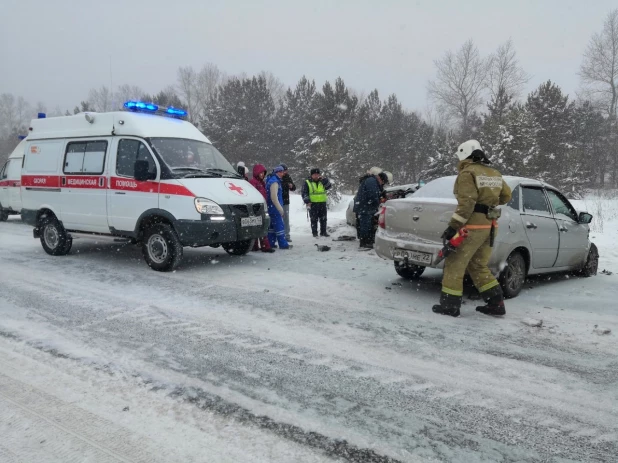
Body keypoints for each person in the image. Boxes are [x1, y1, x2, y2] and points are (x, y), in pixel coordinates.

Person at [432, 140, 512, 318]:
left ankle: (450, 306)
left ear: (464, 155)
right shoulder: (494, 173)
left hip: (471, 227)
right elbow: (506, 195)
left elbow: (467, 203)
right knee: (478, 265)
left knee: (454, 263)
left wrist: (453, 227)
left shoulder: (468, 173)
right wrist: (489, 203)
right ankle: (496, 303)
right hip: (490, 227)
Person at [355, 172, 389, 248]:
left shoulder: (372, 181)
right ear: (380, 179)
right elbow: (372, 194)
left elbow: (375, 193)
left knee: (368, 224)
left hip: (366, 206)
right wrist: (379, 202)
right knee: (365, 224)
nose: (382, 184)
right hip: (365, 206)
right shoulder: (371, 181)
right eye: (383, 182)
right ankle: (364, 242)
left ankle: (368, 240)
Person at [249, 164, 275, 253]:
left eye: (263, 173)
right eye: (261, 173)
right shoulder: (253, 182)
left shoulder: (261, 183)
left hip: (262, 206)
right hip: (256, 207)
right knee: (260, 226)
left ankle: (260, 245)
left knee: (261, 226)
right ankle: (260, 246)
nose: (262, 175)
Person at [266, 166, 292, 249]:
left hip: (271, 208)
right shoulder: (274, 182)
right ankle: (283, 244)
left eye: (282, 172)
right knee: (279, 226)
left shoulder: (272, 180)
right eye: (280, 172)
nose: (282, 174)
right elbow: (274, 198)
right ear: (276, 172)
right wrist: (280, 209)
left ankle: (271, 243)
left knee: (272, 227)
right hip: (275, 208)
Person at [301, 168, 332, 237]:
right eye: (314, 174)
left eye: (317, 174)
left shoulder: (322, 181)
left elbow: (329, 187)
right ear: (311, 175)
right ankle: (314, 233)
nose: (316, 175)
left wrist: (325, 181)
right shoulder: (307, 182)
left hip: (322, 203)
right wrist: (307, 201)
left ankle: (323, 232)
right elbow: (304, 193)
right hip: (313, 203)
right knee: (314, 219)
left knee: (323, 219)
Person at [280, 163, 296, 242]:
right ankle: (279, 235)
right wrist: (287, 185)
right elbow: (280, 186)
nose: (285, 173)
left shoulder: (287, 177)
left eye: (286, 171)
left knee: (286, 218)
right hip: (278, 200)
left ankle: (287, 235)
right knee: (278, 218)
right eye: (284, 171)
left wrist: (292, 186)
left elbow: (294, 187)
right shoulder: (276, 176)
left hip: (286, 200)